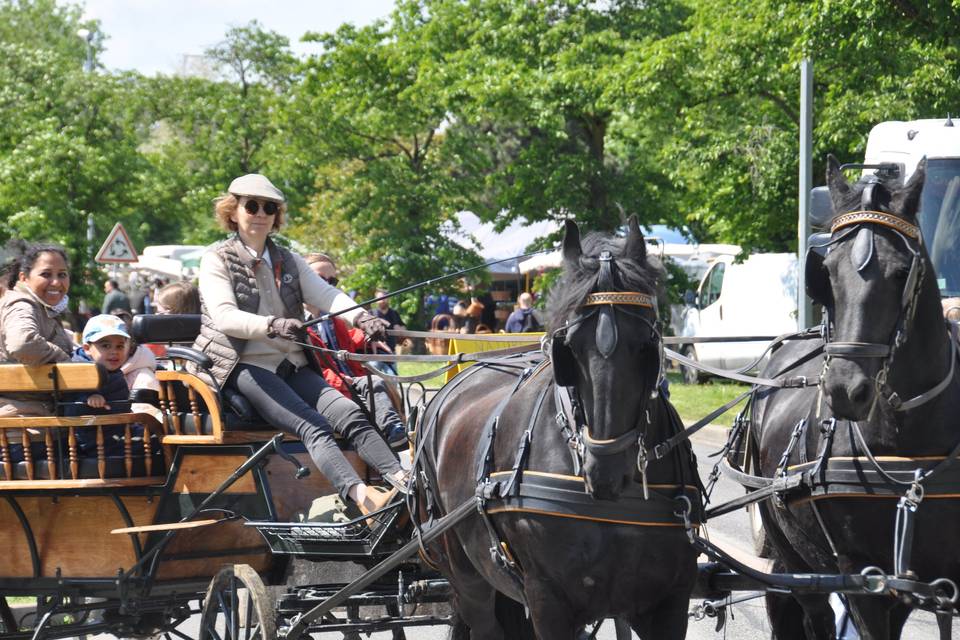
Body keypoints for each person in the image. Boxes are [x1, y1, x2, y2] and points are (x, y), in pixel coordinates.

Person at [192, 173, 406, 516]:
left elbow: (327, 294)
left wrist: (362, 318)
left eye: (270, 207)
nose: (261, 213)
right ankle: (364, 498)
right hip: (244, 364)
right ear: (233, 212)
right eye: (252, 206)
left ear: (276, 216)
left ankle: (402, 482)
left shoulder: (288, 259)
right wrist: (272, 325)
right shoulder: (216, 258)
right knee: (313, 426)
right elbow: (225, 317)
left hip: (291, 363)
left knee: (350, 413)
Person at [302, 254, 407, 448]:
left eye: (332, 280)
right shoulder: (295, 321)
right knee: (370, 388)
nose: (327, 284)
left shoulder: (332, 317)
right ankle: (388, 439)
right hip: (324, 387)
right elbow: (305, 366)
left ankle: (394, 432)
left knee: (380, 380)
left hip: (351, 379)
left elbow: (347, 341)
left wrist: (367, 338)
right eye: (319, 278)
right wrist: (339, 379)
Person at [0, 243, 75, 420]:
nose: (56, 282)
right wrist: (68, 363)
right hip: (25, 425)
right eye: (46, 274)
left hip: (38, 419)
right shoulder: (22, 304)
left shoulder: (45, 308)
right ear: (24, 278)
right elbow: (23, 343)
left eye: (62, 274)